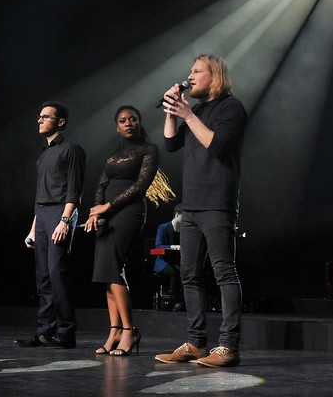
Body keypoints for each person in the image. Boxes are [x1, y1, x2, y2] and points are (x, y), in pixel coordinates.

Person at [154, 54, 247, 368]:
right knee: (188, 274)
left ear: (214, 76)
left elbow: (217, 145)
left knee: (223, 271)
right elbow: (169, 145)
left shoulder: (230, 108)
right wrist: (172, 111)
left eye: (196, 71)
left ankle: (228, 346)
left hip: (217, 201)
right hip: (191, 203)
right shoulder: (198, 109)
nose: (189, 76)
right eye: (189, 71)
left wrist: (187, 114)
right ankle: (195, 343)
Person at [84, 105, 175, 356]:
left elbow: (140, 186)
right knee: (105, 272)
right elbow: (102, 183)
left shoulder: (149, 150)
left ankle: (129, 331)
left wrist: (107, 206)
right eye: (123, 120)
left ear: (139, 122)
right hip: (105, 213)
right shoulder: (114, 155)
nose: (128, 123)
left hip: (129, 212)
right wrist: (95, 210)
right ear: (117, 126)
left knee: (113, 268)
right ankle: (114, 331)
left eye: (133, 119)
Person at [16, 101, 86, 349]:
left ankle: (66, 332)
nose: (40, 120)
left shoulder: (72, 150)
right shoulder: (44, 155)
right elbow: (40, 195)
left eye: (46, 116)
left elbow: (74, 191)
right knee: (43, 276)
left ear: (61, 122)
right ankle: (45, 330)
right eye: (40, 116)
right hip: (43, 215)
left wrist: (65, 220)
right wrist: (33, 229)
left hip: (60, 213)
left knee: (57, 273)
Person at [153, 204, 184, 311]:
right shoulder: (163, 228)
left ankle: (180, 301)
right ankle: (174, 302)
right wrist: (172, 246)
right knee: (178, 271)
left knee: (187, 271)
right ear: (177, 214)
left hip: (177, 262)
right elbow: (158, 246)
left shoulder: (184, 231)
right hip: (163, 263)